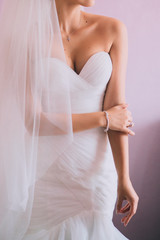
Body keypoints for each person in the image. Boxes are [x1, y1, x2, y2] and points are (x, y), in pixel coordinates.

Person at [0, 0, 139, 239]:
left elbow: (117, 109)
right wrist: (103, 119)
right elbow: (33, 121)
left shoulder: (113, 30)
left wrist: (124, 178)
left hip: (95, 173)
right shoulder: (24, 38)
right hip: (45, 174)